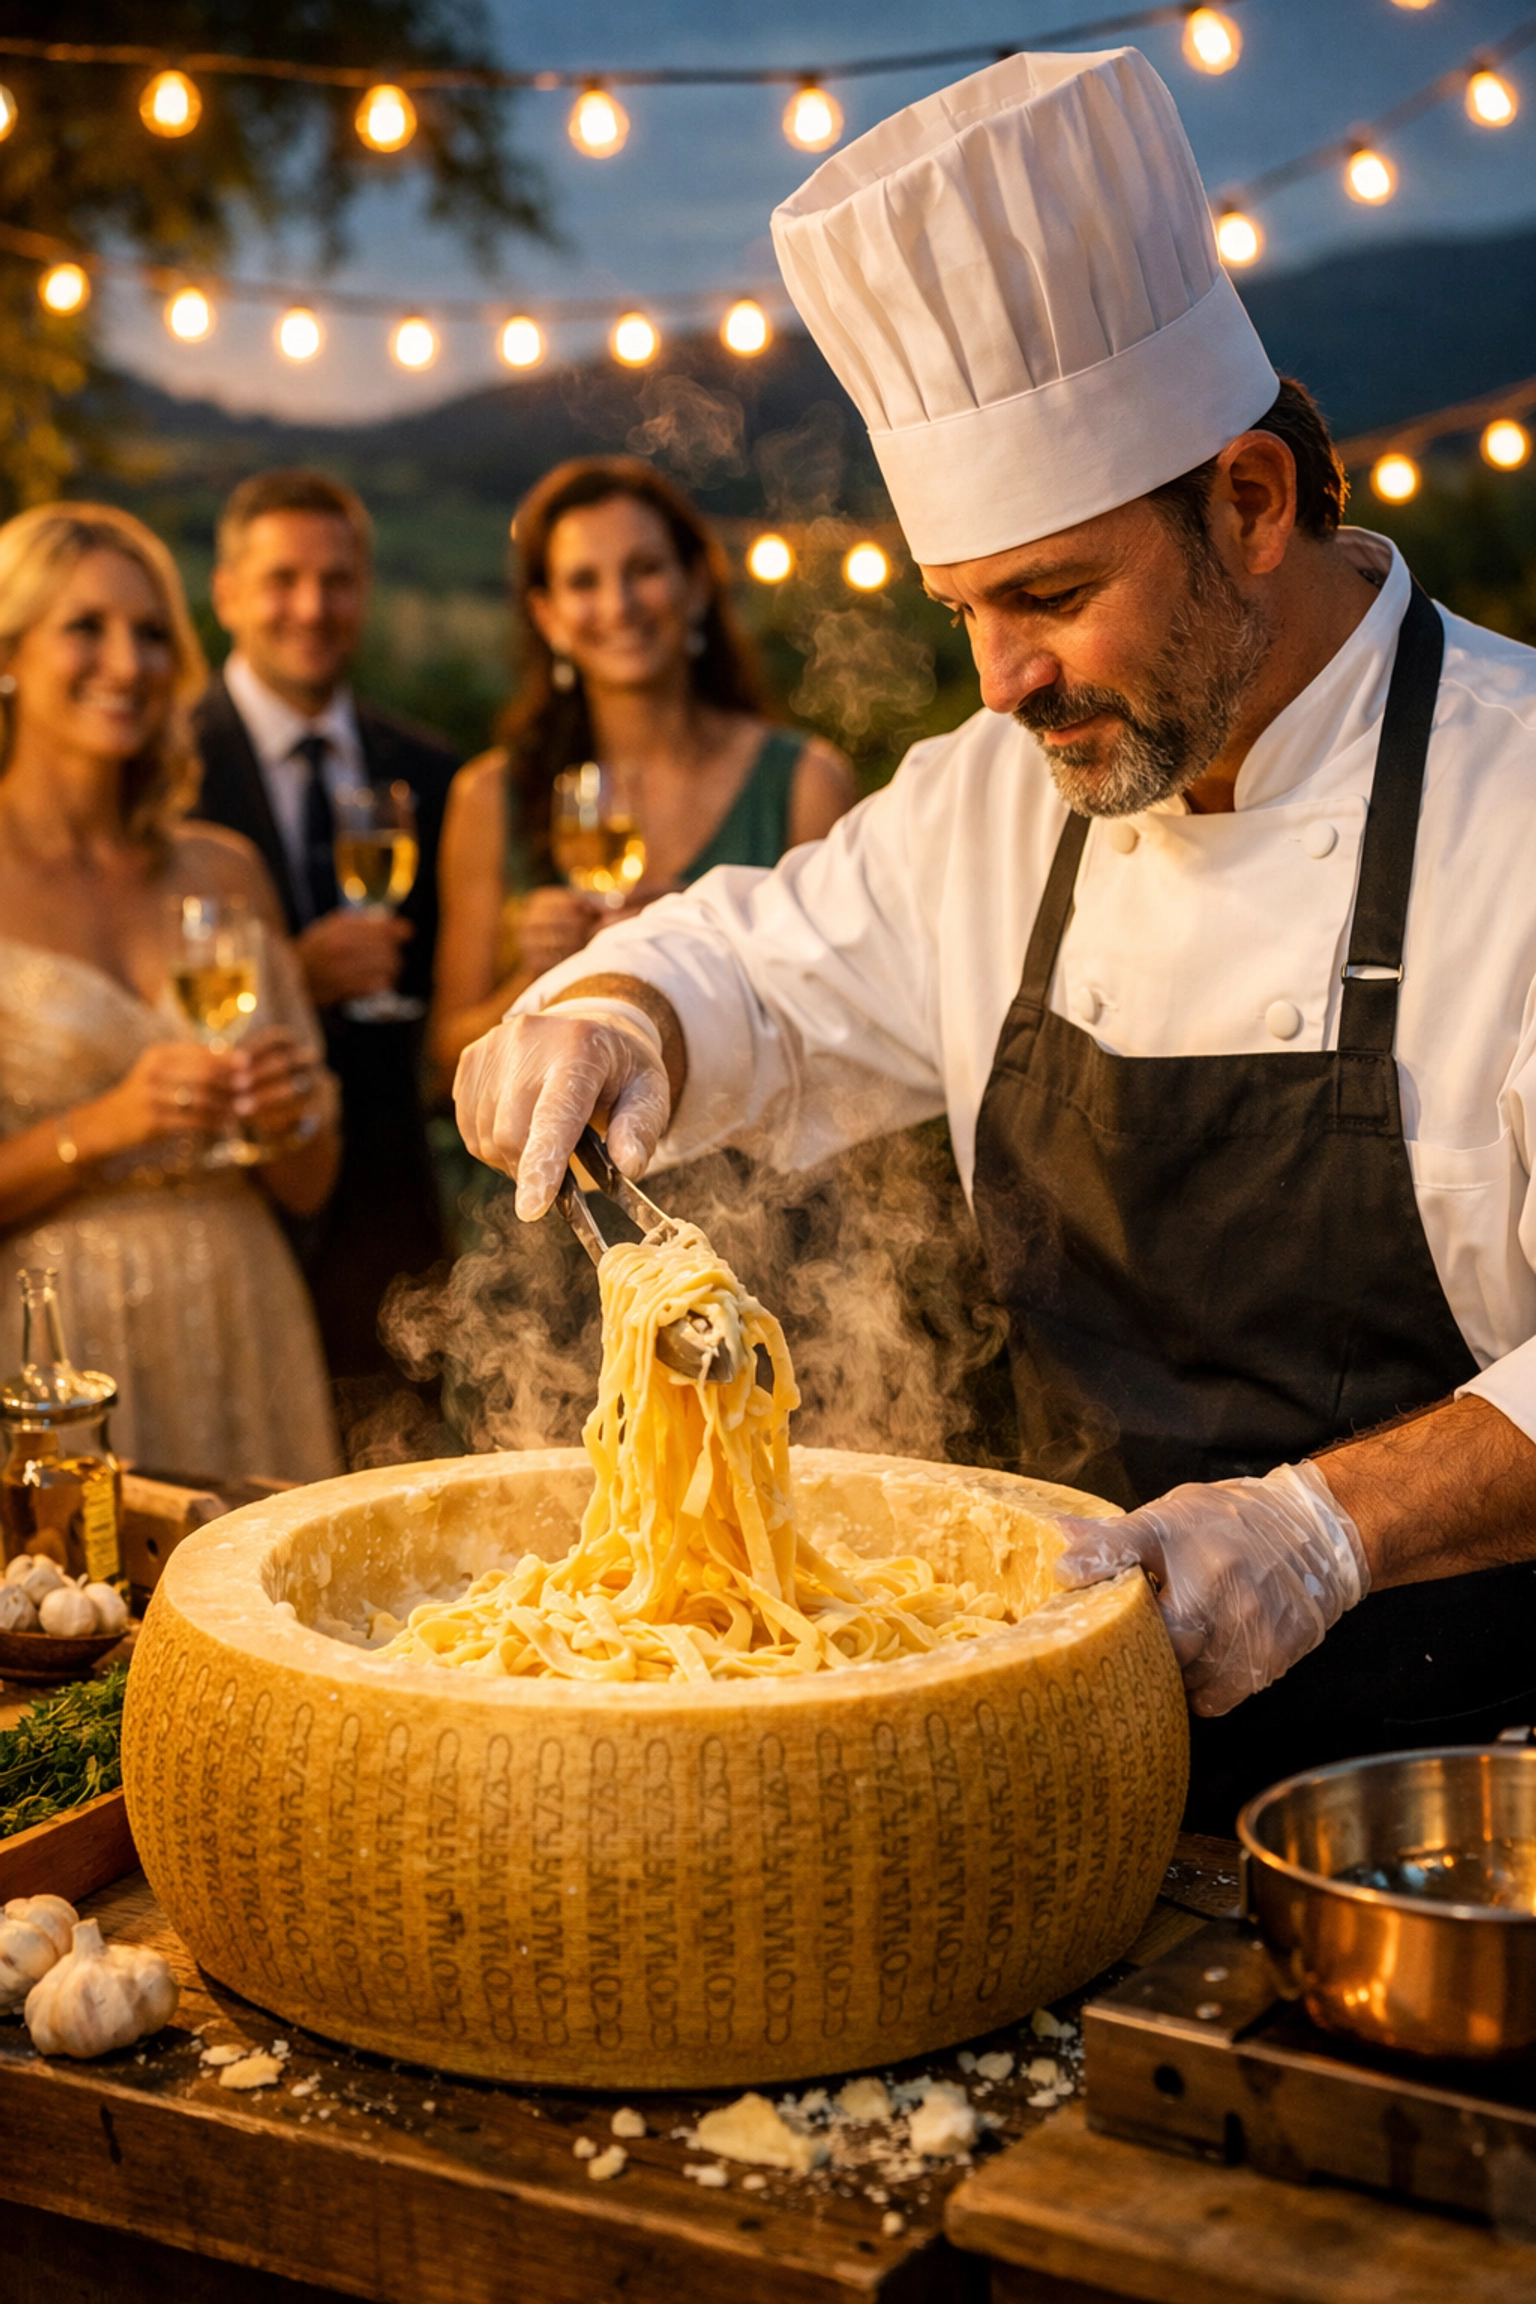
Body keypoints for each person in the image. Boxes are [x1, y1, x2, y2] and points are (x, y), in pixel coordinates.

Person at [454, 48, 1536, 1830]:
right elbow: (751, 965)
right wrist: (612, 1013)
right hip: (1059, 1768)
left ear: (1251, 504)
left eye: (1049, 594)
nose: (1002, 681)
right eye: (964, 608)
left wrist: (1322, 1525)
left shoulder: (1514, 794)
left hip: (1451, 1813)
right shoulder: (993, 793)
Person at [0, 503, 340, 1483]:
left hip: (247, 1313)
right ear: (13, 651)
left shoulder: (222, 871)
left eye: (152, 634)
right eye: (87, 628)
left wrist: (291, 1117)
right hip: (60, 1344)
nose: (129, 662)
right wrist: (100, 1126)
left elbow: (311, 1182)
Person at [428, 457, 855, 1084]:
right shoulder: (491, 795)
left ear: (698, 585)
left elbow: (849, 1029)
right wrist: (534, 976)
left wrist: (709, 953)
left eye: (645, 570)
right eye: (582, 582)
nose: (619, 605)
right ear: (547, 617)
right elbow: (448, 1056)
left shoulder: (805, 782)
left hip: (758, 1177)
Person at [193, 468, 457, 1389]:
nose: (312, 606)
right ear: (227, 594)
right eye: (282, 580)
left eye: (337, 581)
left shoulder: (432, 772)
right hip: (225, 1232)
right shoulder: (168, 770)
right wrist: (291, 980)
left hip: (394, 1242)